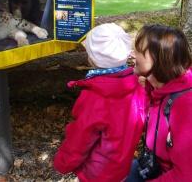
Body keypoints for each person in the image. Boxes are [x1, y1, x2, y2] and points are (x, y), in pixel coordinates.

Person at [53, 23, 146, 182]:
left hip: (96, 174)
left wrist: (62, 163)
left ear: (92, 58)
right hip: (121, 167)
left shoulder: (95, 97)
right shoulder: (136, 85)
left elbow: (80, 138)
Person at [127, 24, 192, 181]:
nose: (132, 54)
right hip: (151, 164)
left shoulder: (185, 104)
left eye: (138, 50)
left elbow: (185, 175)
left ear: (158, 59)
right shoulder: (156, 88)